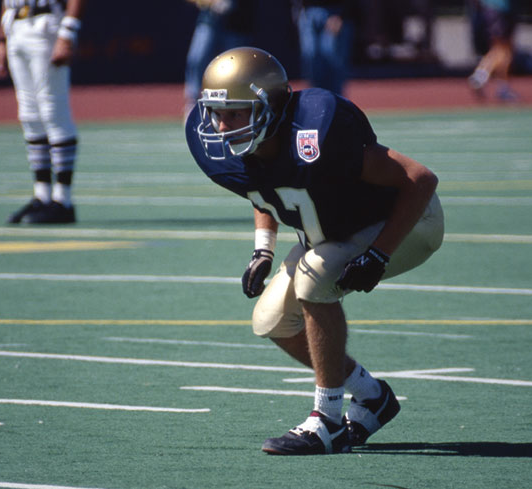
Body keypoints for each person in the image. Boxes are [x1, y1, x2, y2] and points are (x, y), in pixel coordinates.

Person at [185, 47, 444, 455]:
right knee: (271, 320)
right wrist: (263, 249)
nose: (220, 126)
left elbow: (419, 179)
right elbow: (262, 188)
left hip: (406, 223)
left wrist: (378, 253)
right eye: (216, 113)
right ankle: (372, 397)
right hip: (334, 237)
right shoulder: (240, 147)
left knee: (314, 278)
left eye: (235, 113)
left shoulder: (315, 132)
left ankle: (328, 421)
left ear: (268, 105)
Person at [0, 0, 85, 224]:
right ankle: (42, 196)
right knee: (29, 115)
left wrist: (68, 31)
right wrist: (1, 39)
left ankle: (63, 200)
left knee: (53, 111)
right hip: (16, 23)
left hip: (46, 23)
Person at [184, 0, 256, 118]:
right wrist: (211, 2)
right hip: (209, 19)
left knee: (237, 66)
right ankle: (192, 102)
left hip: (239, 21)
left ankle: (236, 103)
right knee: (197, 58)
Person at [292, 0, 357, 95]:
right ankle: (316, 99)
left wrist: (342, 13)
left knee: (331, 57)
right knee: (310, 57)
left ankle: (336, 101)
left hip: (333, 10)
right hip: (307, 11)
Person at [467, 0, 520, 102]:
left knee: (505, 50)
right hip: (497, 9)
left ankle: (502, 87)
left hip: (499, 9)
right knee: (501, 49)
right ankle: (481, 75)